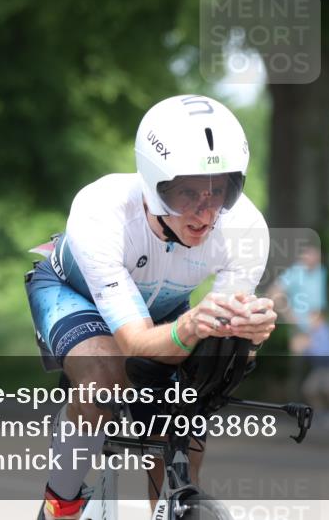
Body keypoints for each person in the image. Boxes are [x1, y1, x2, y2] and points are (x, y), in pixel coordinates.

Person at [24, 94, 276, 520]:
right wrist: (194, 325)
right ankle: (60, 503)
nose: (206, 211)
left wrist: (245, 334)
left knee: (184, 410)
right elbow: (136, 341)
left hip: (160, 308)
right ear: (154, 184)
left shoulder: (246, 228)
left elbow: (224, 344)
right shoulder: (102, 210)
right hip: (74, 292)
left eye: (222, 191)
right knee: (105, 378)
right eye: (187, 194)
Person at [269, 245, 329, 397]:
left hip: (318, 327)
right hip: (300, 328)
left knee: (323, 368)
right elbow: (274, 293)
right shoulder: (295, 272)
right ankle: (293, 406)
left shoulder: (321, 272)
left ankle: (318, 409)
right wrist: (290, 316)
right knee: (298, 368)